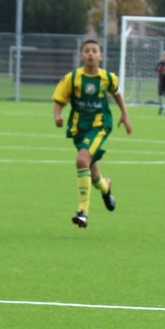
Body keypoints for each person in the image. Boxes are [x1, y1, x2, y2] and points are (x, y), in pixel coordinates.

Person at [52, 38, 132, 229]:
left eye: (94, 51)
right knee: (92, 173)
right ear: (81, 55)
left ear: (100, 55)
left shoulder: (108, 78)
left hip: (100, 124)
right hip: (79, 128)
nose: (90, 54)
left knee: (81, 160)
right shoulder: (72, 78)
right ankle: (105, 187)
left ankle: (83, 211)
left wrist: (125, 115)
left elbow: (117, 94)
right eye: (87, 50)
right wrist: (58, 115)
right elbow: (60, 98)